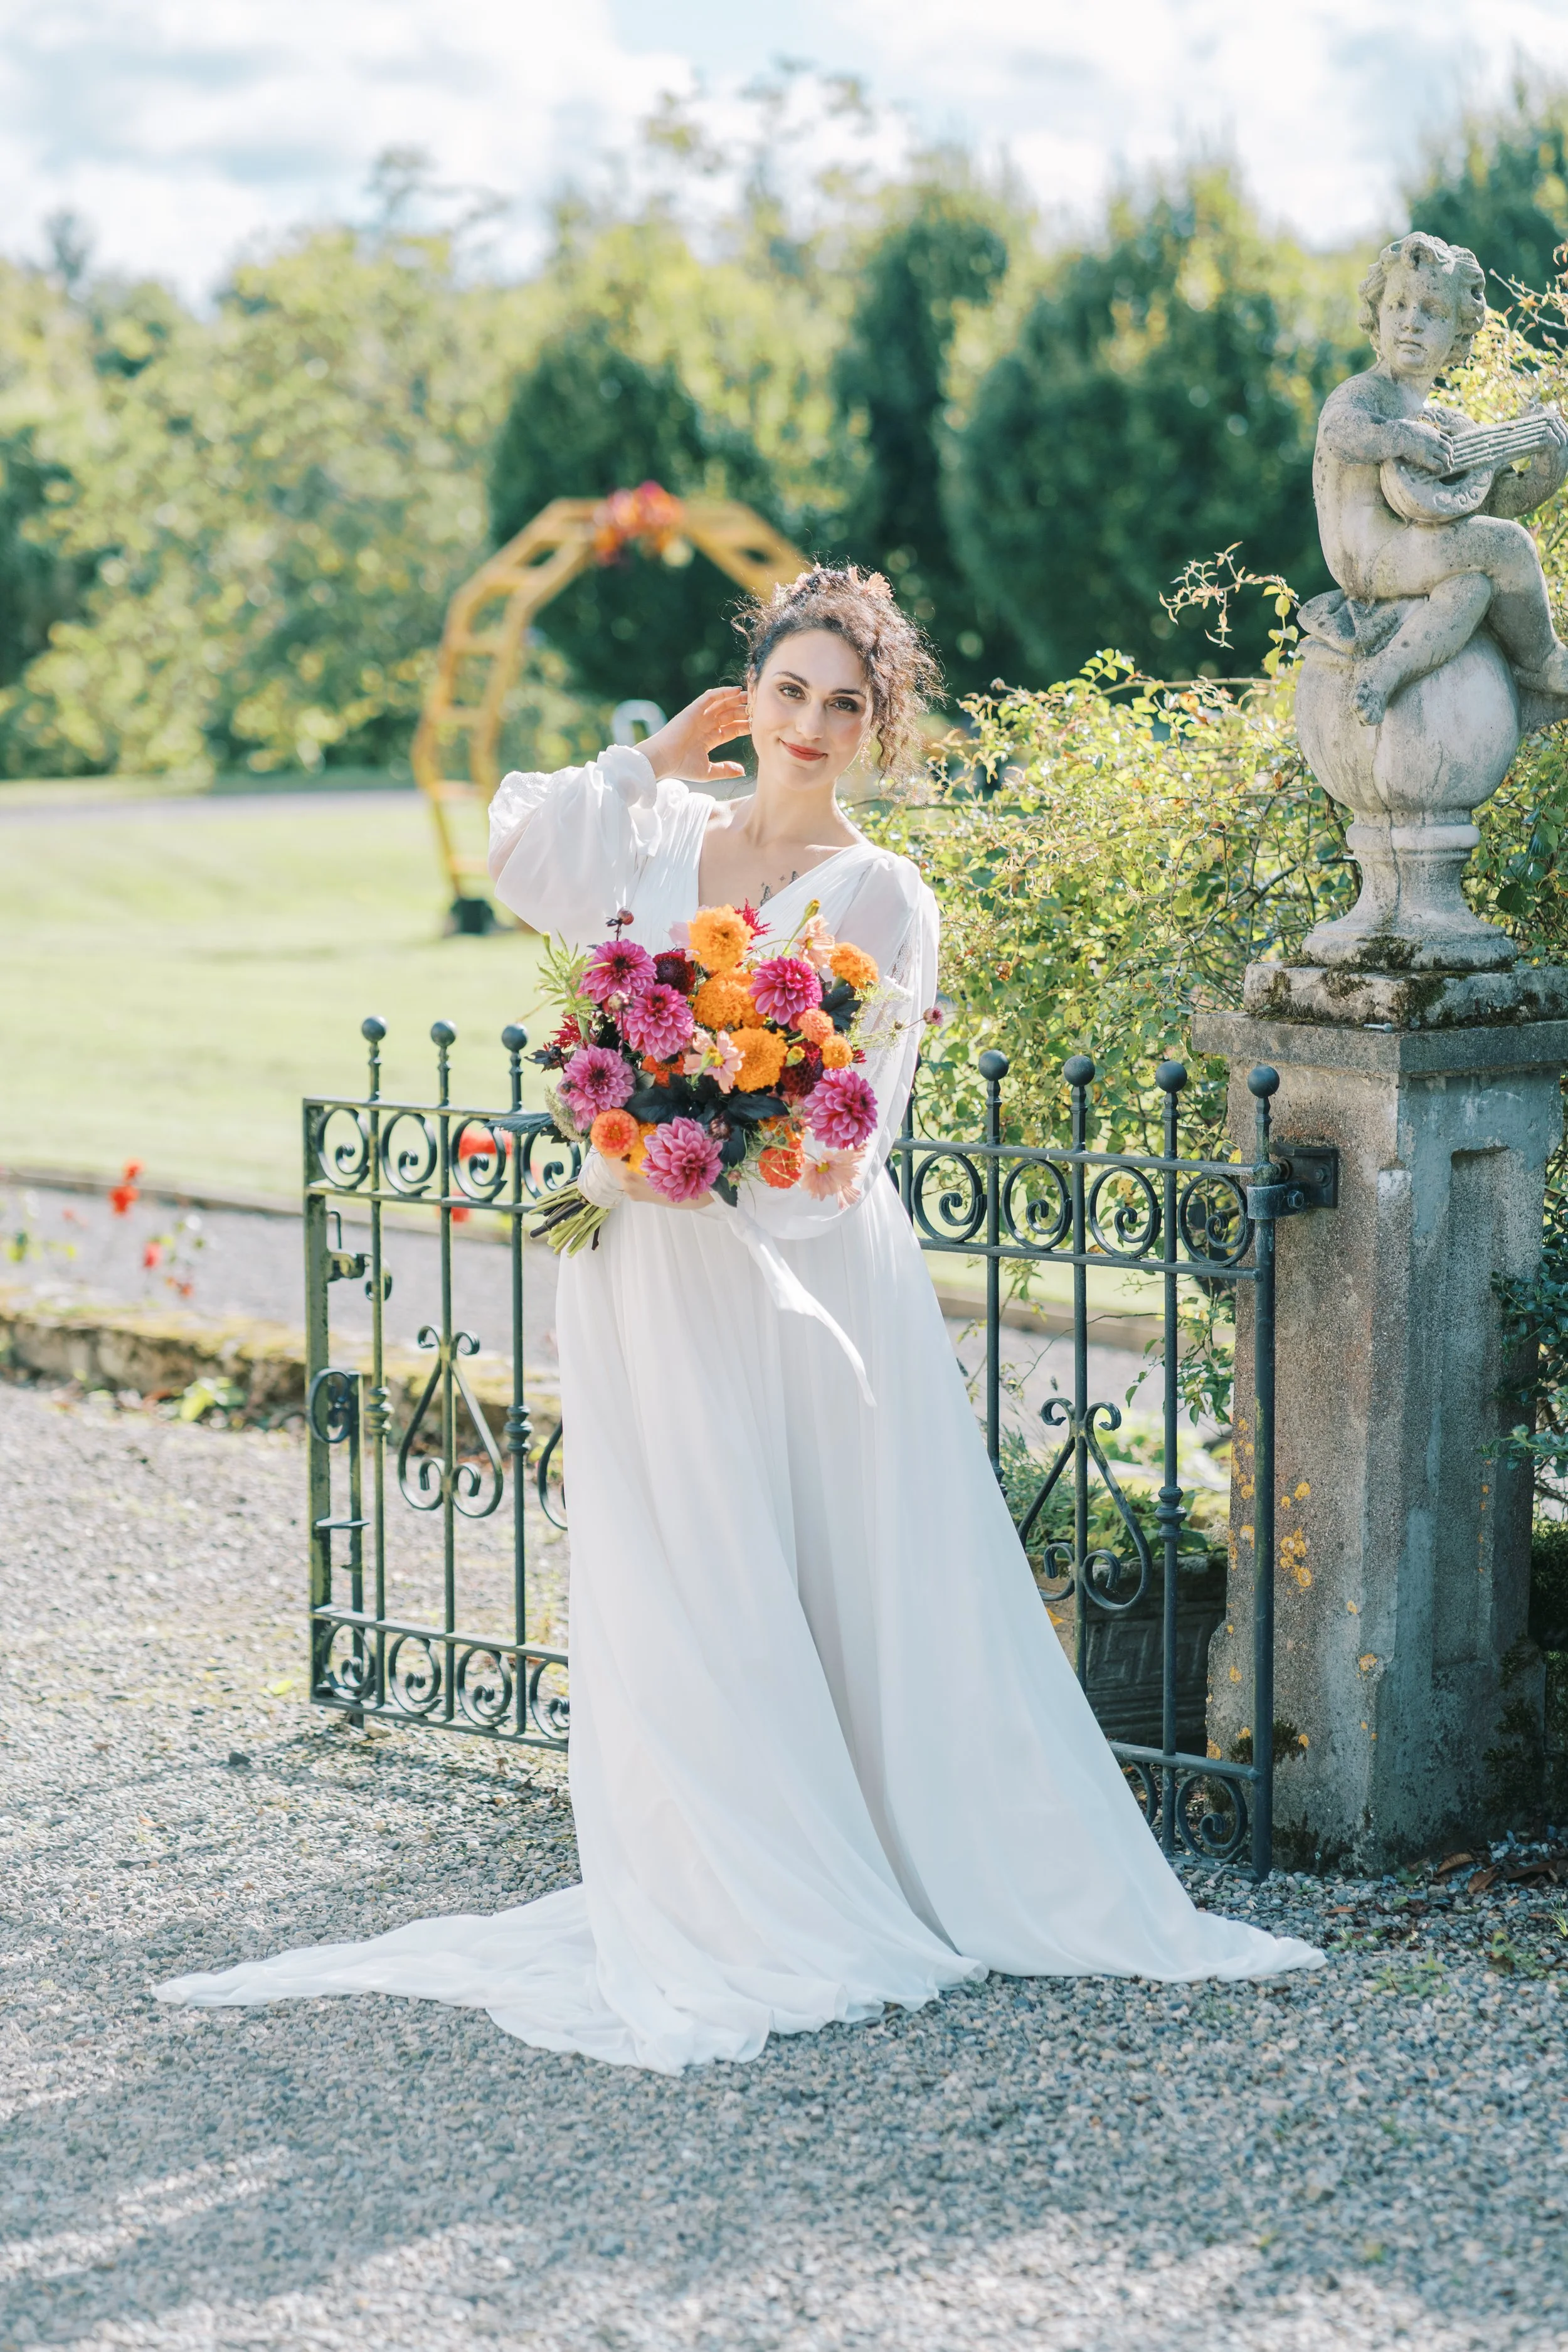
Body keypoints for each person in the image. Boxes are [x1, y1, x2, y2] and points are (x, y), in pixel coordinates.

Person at [157, 567, 1321, 2071]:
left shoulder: (886, 892)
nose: (815, 722)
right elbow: (521, 847)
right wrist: (654, 756)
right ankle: (704, 1870)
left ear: (879, 720)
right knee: (666, 1563)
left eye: (848, 700)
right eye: (789, 691)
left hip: (790, 1273)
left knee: (802, 1554)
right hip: (634, 1266)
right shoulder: (658, 835)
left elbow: (855, 1121)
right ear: (747, 696)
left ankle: (827, 1866)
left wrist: (698, 1156)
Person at [1311, 230, 1568, 724]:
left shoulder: (1446, 423)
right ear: (1377, 314)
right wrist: (1400, 439)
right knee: (1510, 547)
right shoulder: (1365, 395)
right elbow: (1342, 432)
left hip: (1409, 553)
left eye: (1433, 311)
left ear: (1458, 332)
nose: (1412, 321)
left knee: (1472, 587)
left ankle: (1386, 672)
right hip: (1370, 556)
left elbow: (1487, 501)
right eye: (1399, 305)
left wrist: (1547, 471)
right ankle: (1542, 662)